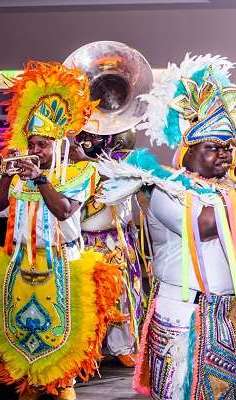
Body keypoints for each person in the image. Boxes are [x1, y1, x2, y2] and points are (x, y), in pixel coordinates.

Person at [98, 54, 236, 400]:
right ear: (187, 149)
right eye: (212, 148)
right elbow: (206, 225)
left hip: (235, 316)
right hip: (185, 316)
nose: (224, 156)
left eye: (228, 149)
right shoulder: (163, 188)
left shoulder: (235, 190)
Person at [0, 62, 122, 400]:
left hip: (62, 264)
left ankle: (62, 386)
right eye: (32, 144)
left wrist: (40, 179)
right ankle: (29, 381)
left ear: (60, 145)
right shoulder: (18, 174)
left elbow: (64, 209)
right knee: (20, 329)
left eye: (43, 145)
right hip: (20, 264)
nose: (35, 151)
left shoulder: (80, 171)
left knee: (63, 331)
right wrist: (7, 173)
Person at [74, 129, 145, 367]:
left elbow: (119, 179)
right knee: (88, 295)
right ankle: (89, 348)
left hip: (116, 239)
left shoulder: (124, 160)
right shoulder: (72, 163)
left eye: (95, 135)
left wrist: (85, 162)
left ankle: (122, 346)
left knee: (121, 294)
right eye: (85, 134)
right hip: (85, 239)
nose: (87, 139)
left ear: (109, 138)